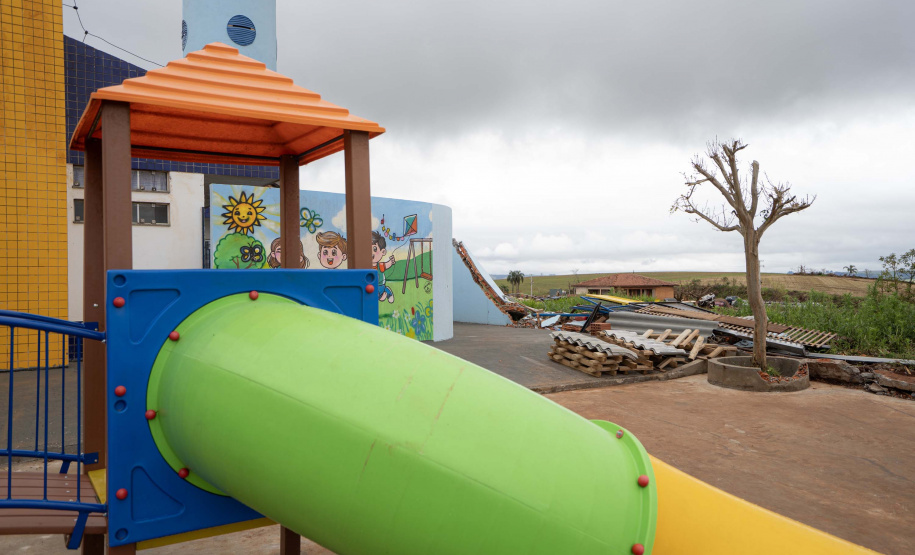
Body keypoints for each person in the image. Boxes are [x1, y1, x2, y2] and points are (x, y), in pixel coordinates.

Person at [371, 231, 396, 303]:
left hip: (380, 285)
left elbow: (387, 265)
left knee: (380, 296)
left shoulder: (380, 266)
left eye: (375, 249)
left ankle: (387, 291)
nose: (371, 253)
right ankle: (383, 294)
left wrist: (391, 262)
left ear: (383, 252)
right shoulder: (365, 267)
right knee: (379, 297)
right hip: (372, 287)